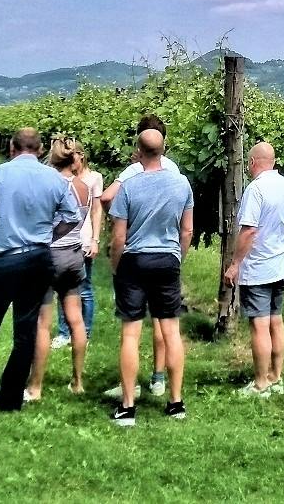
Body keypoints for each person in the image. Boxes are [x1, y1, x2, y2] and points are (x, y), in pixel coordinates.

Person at [0, 127, 80, 414]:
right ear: (39, 150)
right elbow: (73, 216)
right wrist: (50, 235)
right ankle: (11, 398)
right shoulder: (54, 178)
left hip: (3, 258)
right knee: (25, 330)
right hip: (38, 259)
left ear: (12, 147)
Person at [108, 125, 193, 426]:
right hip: (167, 259)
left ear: (138, 152)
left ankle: (128, 407)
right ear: (164, 150)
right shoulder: (182, 184)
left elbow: (119, 237)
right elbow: (187, 230)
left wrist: (115, 266)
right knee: (171, 332)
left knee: (130, 334)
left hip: (135, 260)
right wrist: (177, 256)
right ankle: (176, 402)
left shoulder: (129, 187)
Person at [100, 114, 179, 399]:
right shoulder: (173, 170)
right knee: (165, 322)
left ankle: (128, 389)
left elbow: (107, 197)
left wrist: (124, 218)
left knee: (131, 330)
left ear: (139, 143)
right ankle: (159, 380)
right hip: (167, 253)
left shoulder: (135, 170)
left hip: (136, 252)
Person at [224, 142, 284, 398]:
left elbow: (249, 230)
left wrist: (236, 264)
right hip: (281, 264)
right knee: (276, 320)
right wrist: (283, 232)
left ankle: (260, 383)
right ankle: (276, 376)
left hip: (259, 267)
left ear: (252, 162)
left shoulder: (256, 189)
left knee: (259, 325)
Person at [24, 136, 101, 400]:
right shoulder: (84, 186)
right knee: (76, 319)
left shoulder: (48, 184)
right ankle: (77, 380)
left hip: (50, 256)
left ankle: (36, 386)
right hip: (74, 255)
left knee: (43, 323)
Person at [52, 140, 103, 350]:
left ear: (81, 155)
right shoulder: (59, 180)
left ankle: (85, 331)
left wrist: (95, 239)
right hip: (62, 240)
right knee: (62, 288)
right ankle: (64, 332)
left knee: (85, 288)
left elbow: (97, 210)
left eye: (74, 154)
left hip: (83, 238)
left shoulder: (93, 178)